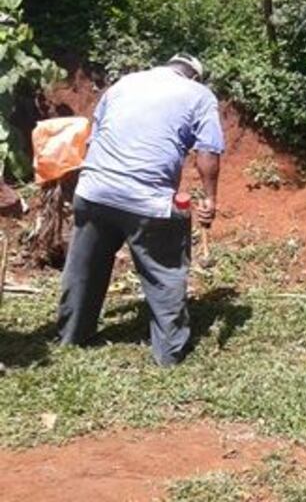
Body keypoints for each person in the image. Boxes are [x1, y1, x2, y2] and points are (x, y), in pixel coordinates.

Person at [57, 54, 224, 366]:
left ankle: (71, 335)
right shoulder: (199, 95)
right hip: (146, 202)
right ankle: (169, 353)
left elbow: (95, 138)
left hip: (93, 191)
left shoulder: (124, 84)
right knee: (164, 273)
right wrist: (210, 200)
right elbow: (208, 151)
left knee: (84, 267)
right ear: (194, 77)